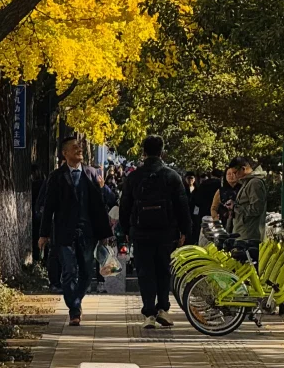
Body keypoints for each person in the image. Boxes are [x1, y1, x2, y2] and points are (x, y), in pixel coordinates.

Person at [38, 135, 112, 324]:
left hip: (88, 233)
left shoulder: (92, 174)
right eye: (74, 148)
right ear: (65, 154)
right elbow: (49, 207)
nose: (79, 150)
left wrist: (104, 234)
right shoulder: (56, 177)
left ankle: (76, 300)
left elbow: (100, 206)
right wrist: (44, 234)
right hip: (64, 232)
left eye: (80, 147)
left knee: (87, 272)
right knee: (69, 271)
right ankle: (74, 310)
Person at [119, 135, 191, 328]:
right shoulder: (172, 176)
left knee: (145, 272)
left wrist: (125, 229)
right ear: (162, 152)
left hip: (140, 232)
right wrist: (185, 230)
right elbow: (182, 205)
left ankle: (148, 312)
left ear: (143, 153)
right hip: (166, 232)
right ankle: (163, 309)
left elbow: (124, 205)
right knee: (164, 270)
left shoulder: (134, 177)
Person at [230, 156, 268, 260]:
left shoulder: (255, 183)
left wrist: (236, 207)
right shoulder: (247, 182)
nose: (234, 176)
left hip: (250, 236)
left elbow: (257, 209)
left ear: (243, 169)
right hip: (242, 233)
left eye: (235, 172)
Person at [191, 168, 221, 244]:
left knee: (204, 235)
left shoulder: (203, 184)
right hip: (217, 214)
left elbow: (196, 200)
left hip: (203, 213)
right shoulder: (221, 185)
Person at [211, 163, 239, 231]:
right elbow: (214, 208)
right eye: (228, 174)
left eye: (233, 173)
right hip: (224, 223)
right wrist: (216, 220)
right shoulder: (221, 191)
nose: (231, 176)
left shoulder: (243, 189)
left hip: (239, 223)